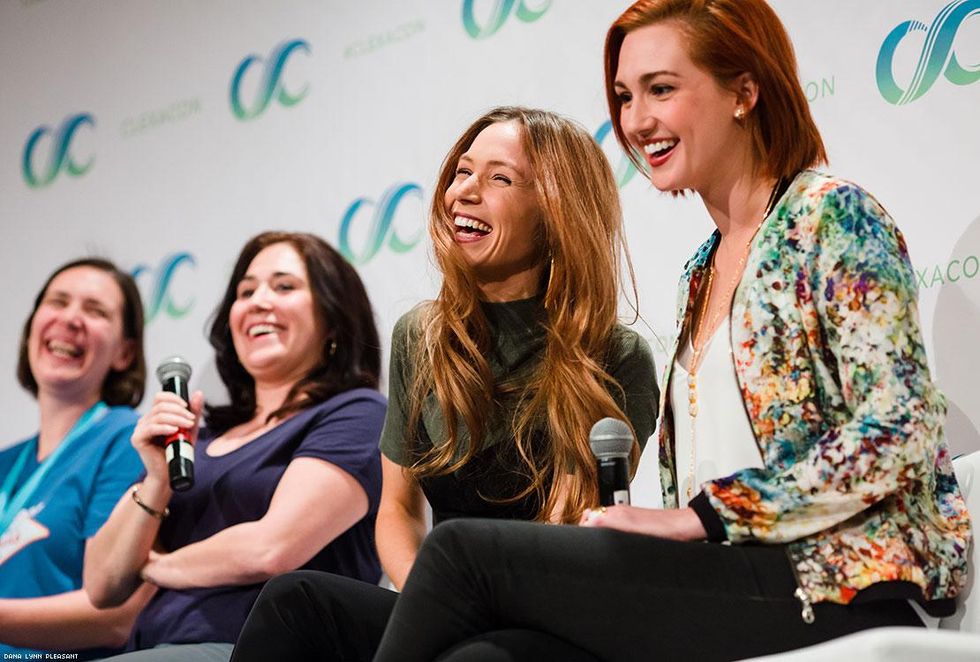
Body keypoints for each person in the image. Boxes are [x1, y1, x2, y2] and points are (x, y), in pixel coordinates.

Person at [369, 2, 974, 661]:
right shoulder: (700, 271)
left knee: (461, 552)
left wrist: (697, 518)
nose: (635, 121)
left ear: (744, 91)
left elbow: (899, 431)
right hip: (728, 581)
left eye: (661, 89)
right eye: (625, 96)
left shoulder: (831, 218)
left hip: (841, 585)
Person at [230, 107, 660, 661]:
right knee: (296, 600)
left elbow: (572, 525)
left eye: (499, 178)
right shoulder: (421, 336)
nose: (464, 193)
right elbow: (399, 510)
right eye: (462, 171)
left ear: (555, 211)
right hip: (442, 603)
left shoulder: (614, 355)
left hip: (547, 620)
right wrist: (430, 603)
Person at [83, 232, 386, 661]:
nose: (259, 302)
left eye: (284, 286)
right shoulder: (199, 439)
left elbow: (271, 548)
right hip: (158, 647)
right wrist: (156, 479)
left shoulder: (357, 413)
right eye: (246, 292)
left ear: (334, 319)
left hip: (262, 649)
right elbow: (101, 584)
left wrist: (154, 567)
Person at [0, 258, 151, 660]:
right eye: (58, 301)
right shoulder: (6, 463)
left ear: (124, 353)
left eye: (95, 310)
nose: (70, 319)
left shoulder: (129, 440)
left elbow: (115, 616)